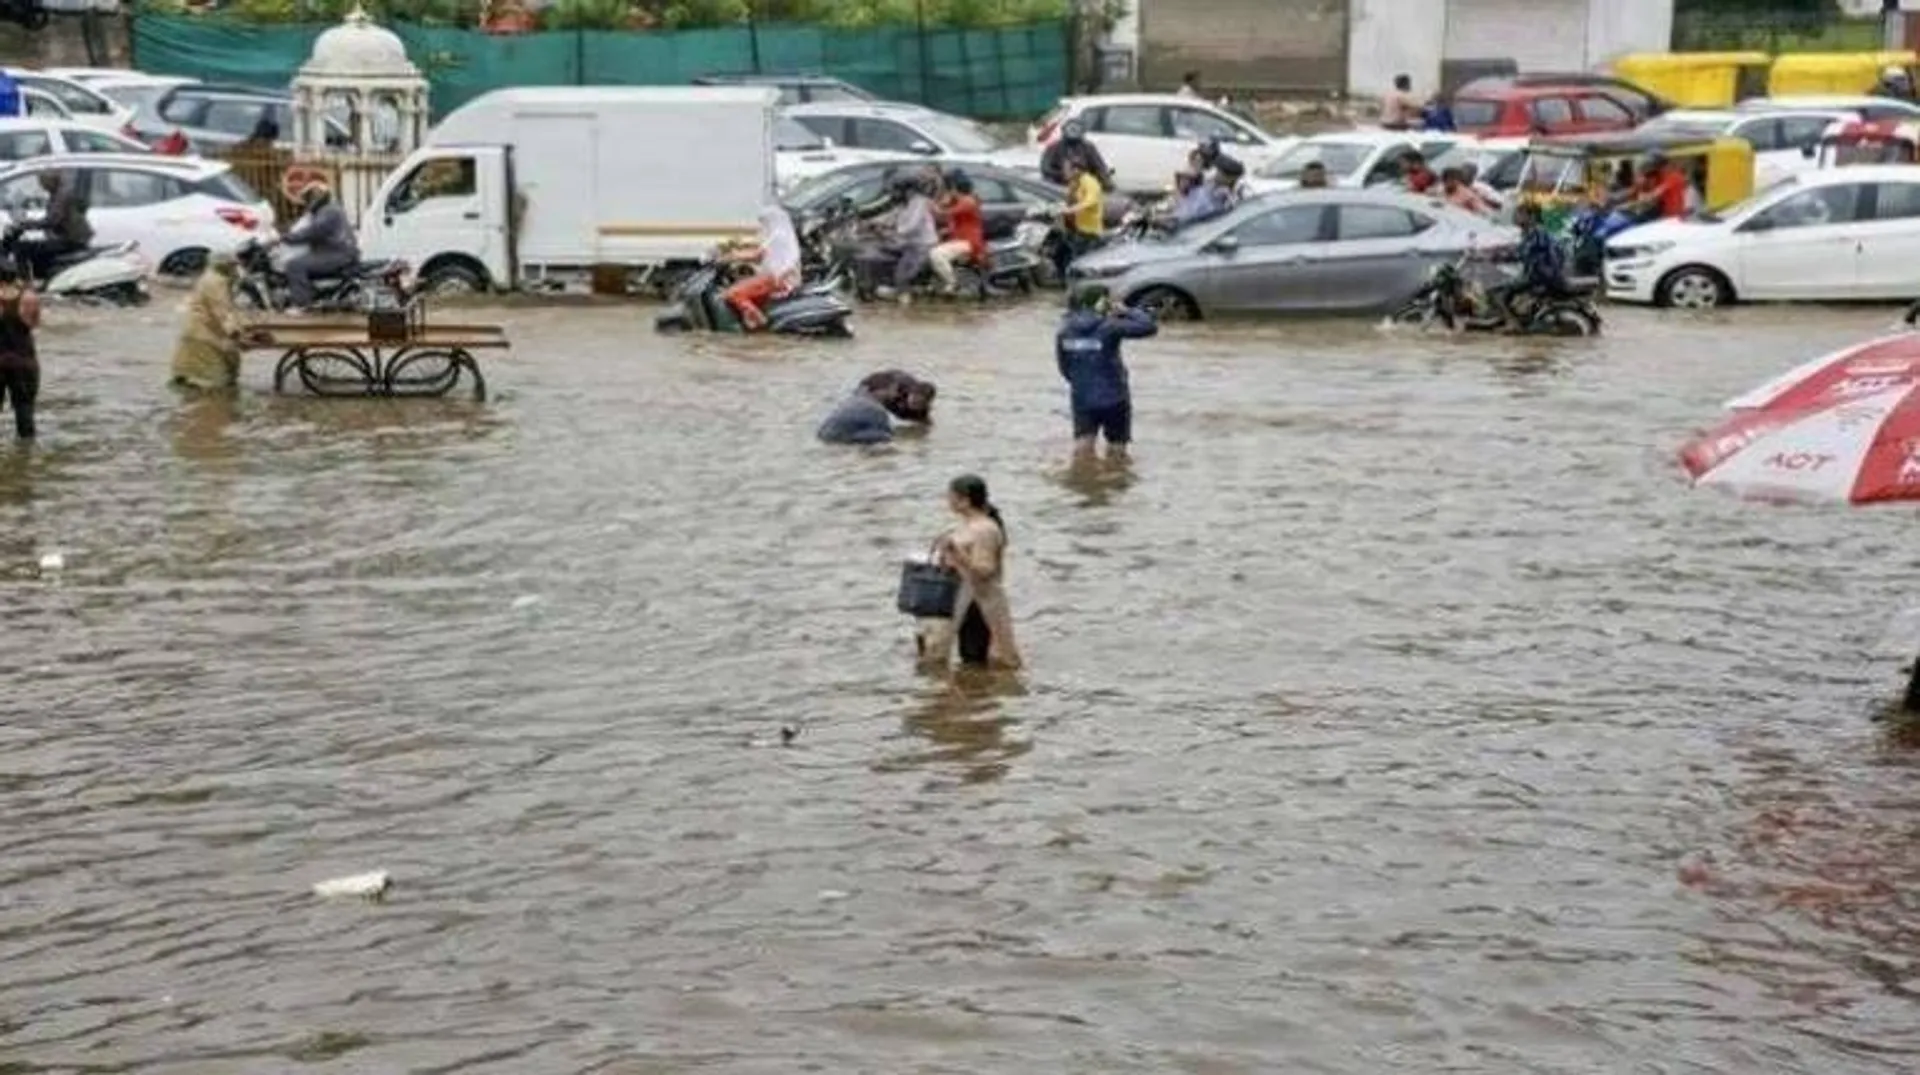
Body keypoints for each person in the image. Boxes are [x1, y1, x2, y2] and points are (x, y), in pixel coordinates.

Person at [917, 474, 1022, 670]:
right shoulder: (966, 526)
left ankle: (980, 696)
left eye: (950, 496)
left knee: (980, 661)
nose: (947, 500)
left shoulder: (985, 530)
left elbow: (985, 570)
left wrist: (956, 551)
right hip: (963, 600)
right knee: (962, 658)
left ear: (965, 500)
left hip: (980, 605)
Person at [1056, 282, 1157, 465]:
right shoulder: (1110, 327)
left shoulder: (1065, 330)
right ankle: (1114, 484)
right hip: (1115, 397)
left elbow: (1064, 367)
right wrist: (1126, 310)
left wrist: (1081, 383)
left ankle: (1083, 482)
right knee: (1117, 449)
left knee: (1083, 446)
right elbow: (1149, 327)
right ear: (1102, 302)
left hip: (1082, 397)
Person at [170, 253, 249, 392]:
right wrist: (237, 334)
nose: (236, 270)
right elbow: (223, 312)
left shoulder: (210, 278)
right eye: (233, 266)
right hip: (205, 337)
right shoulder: (216, 282)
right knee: (214, 384)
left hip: (198, 333)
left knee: (197, 380)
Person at [279, 181, 358, 314]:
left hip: (336, 253)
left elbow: (314, 231)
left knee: (294, 265)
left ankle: (302, 304)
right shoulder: (326, 210)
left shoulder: (329, 211)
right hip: (334, 251)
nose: (307, 202)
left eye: (309, 197)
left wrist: (287, 238)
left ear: (317, 196)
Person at [1487, 202, 1567, 331]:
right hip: (1539, 274)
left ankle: (1512, 323)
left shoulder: (1537, 233)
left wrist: (1498, 257)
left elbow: (1522, 253)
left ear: (1532, 217)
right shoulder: (1531, 232)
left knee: (1496, 293)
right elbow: (1519, 249)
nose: (1516, 217)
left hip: (1539, 276)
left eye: (1520, 214)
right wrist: (1497, 252)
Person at [721, 204, 801, 330]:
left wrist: (732, 256)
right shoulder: (781, 235)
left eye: (765, 222)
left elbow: (757, 255)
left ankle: (760, 322)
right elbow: (761, 257)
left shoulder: (778, 235)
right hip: (777, 278)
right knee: (742, 287)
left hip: (777, 280)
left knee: (732, 294)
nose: (763, 225)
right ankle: (750, 324)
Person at [12, 170, 91, 285]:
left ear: (51, 181)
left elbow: (52, 220)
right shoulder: (58, 193)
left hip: (70, 240)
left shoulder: (61, 196)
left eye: (43, 182)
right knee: (34, 247)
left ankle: (25, 284)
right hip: (67, 237)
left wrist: (27, 225)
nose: (41, 185)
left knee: (22, 249)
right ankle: (40, 279)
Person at [817, 370, 936, 444]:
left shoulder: (922, 409)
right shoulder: (894, 391)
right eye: (914, 401)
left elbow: (924, 424)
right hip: (875, 386)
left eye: (919, 404)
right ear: (910, 394)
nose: (915, 405)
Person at [878, 174, 939, 299]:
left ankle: (903, 296)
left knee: (901, 275)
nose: (896, 193)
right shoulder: (904, 203)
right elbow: (891, 216)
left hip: (921, 244)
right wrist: (873, 223)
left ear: (909, 190)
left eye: (898, 190)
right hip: (907, 242)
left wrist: (894, 231)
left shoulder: (919, 202)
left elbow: (912, 225)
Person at [0, 261, 39, 440]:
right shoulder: (28, 296)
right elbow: (33, 324)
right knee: (25, 412)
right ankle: (26, 458)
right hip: (23, 362)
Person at [929, 170, 986, 294]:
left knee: (936, 254)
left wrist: (932, 205)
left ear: (954, 187)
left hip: (969, 242)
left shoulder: (967, 201)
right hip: (960, 238)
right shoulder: (964, 199)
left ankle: (952, 282)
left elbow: (943, 213)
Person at [1054, 156, 1106, 279]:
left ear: (1076, 169)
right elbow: (1070, 200)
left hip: (1087, 230)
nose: (1064, 172)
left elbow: (1090, 201)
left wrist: (1070, 210)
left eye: (1067, 169)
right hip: (1073, 227)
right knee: (1060, 254)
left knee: (1080, 260)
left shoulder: (1090, 182)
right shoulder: (1074, 182)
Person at [1040, 120, 1113, 191]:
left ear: (1082, 131)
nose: (1073, 131)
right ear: (1064, 130)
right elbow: (1045, 168)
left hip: (1083, 184)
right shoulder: (1054, 147)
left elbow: (1100, 166)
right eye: (1071, 129)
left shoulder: (1088, 147)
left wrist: (1106, 182)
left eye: (1076, 129)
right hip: (1059, 185)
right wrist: (1062, 174)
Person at [1626, 151, 1688, 222]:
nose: (1651, 168)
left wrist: (1644, 198)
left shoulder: (1673, 176)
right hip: (1664, 214)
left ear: (1658, 165)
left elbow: (1655, 194)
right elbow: (1650, 193)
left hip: (1673, 216)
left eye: (1652, 165)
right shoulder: (1661, 176)